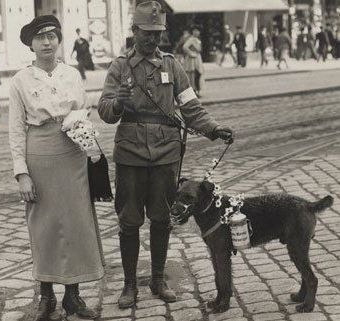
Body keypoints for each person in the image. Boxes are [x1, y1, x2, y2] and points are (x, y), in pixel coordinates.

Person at [97, 1, 233, 309]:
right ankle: (130, 285)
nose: (153, 40)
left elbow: (190, 106)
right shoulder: (119, 67)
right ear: (134, 32)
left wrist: (213, 129)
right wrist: (117, 103)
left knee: (162, 219)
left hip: (166, 155)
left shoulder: (172, 65)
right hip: (131, 154)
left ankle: (158, 279)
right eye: (147, 33)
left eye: (158, 34)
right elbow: (104, 111)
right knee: (129, 221)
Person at [9, 15, 104, 321]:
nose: (47, 43)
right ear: (31, 44)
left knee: (76, 223)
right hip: (40, 154)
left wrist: (90, 148)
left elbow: (81, 113)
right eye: (40, 38)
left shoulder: (72, 74)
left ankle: (73, 297)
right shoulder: (20, 81)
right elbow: (15, 130)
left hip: (71, 153)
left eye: (52, 36)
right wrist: (22, 172)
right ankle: (46, 297)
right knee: (45, 226)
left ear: (59, 40)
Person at [182, 25, 204, 97]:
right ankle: (194, 91)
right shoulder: (191, 39)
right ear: (192, 32)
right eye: (195, 31)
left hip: (197, 59)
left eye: (198, 31)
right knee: (193, 75)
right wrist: (191, 53)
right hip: (192, 60)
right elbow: (185, 47)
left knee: (198, 74)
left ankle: (197, 90)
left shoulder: (197, 39)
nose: (197, 32)